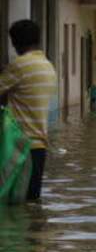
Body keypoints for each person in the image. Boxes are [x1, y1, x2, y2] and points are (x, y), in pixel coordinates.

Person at [0, 20, 57, 200]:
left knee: (15, 201)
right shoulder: (47, 65)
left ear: (16, 42)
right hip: (39, 146)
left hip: (20, 147)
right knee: (32, 201)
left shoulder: (20, 65)